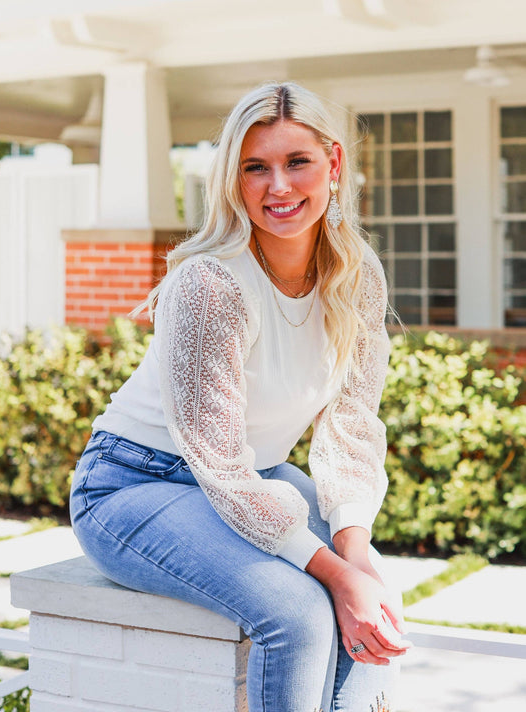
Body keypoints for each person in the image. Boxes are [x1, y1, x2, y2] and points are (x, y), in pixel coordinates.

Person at [70, 81, 410, 712]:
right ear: (233, 178)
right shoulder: (211, 284)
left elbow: (351, 427)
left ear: (333, 164)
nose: (277, 187)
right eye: (256, 167)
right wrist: (335, 575)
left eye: (296, 162)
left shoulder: (356, 276)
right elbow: (219, 465)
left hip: (249, 478)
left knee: (378, 594)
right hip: (133, 486)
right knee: (302, 614)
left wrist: (354, 557)